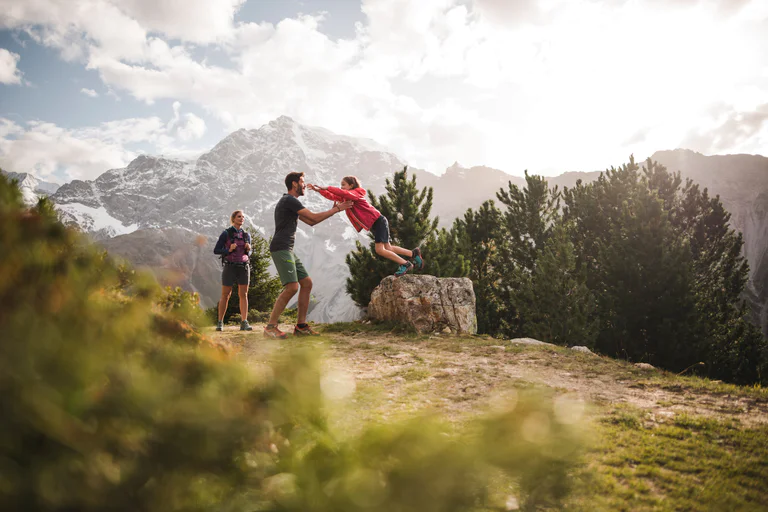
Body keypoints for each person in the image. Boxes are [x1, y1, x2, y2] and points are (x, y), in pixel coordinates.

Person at [264, 172, 354, 339]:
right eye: (302, 182)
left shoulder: (291, 203)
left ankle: (301, 326)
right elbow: (312, 217)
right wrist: (336, 209)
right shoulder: (289, 200)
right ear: (294, 184)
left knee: (306, 283)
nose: (305, 185)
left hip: (287, 248)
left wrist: (335, 210)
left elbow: (312, 222)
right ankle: (270, 327)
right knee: (292, 287)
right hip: (281, 248)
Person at [307, 176, 424, 277]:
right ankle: (413, 254)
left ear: (351, 185)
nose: (341, 187)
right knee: (388, 248)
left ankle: (405, 264)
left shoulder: (356, 193)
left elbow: (342, 193)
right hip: (377, 222)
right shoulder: (346, 197)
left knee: (380, 250)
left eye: (343, 185)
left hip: (378, 221)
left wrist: (327, 187)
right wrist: (318, 190)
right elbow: (333, 196)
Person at [213, 210, 252, 331]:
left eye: (243, 217)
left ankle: (244, 322)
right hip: (230, 266)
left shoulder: (246, 235)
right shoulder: (226, 233)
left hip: (244, 266)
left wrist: (249, 249)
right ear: (233, 218)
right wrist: (228, 250)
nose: (241, 219)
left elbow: (249, 253)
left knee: (243, 294)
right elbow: (216, 250)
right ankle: (220, 322)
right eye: (239, 217)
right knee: (226, 295)